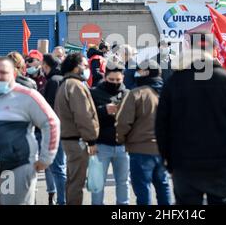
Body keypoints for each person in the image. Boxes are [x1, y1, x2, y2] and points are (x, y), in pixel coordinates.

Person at [156, 32, 226, 205]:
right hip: (222, 163)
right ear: (214, 51)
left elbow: (162, 125)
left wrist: (168, 160)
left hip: (184, 163)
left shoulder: (174, 83)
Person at [0, 56, 60, 205]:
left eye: (3, 72)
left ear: (13, 74)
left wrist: (46, 159)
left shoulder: (27, 96)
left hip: (15, 166)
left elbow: (51, 122)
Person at [116, 59, 172, 205]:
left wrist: (121, 139)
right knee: (163, 186)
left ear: (146, 73)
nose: (136, 73)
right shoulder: (169, 94)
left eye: (139, 70)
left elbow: (123, 122)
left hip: (140, 150)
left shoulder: (136, 94)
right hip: (164, 149)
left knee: (143, 190)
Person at [54, 53, 99, 205]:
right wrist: (91, 139)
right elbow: (83, 115)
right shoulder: (75, 85)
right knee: (76, 183)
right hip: (76, 140)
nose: (87, 69)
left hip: (69, 139)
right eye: (85, 66)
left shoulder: (66, 84)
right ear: (75, 67)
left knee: (73, 180)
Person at [90, 61, 130, 205]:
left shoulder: (127, 94)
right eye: (111, 80)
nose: (115, 83)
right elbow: (88, 117)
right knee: (97, 182)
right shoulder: (94, 93)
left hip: (123, 146)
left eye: (118, 80)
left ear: (123, 79)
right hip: (101, 145)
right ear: (105, 77)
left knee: (123, 182)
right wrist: (104, 110)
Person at [41, 54, 67, 205]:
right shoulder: (64, 79)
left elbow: (49, 107)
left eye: (44, 66)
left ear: (47, 66)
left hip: (55, 128)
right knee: (61, 166)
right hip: (67, 128)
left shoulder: (52, 81)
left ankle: (62, 201)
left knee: (57, 168)